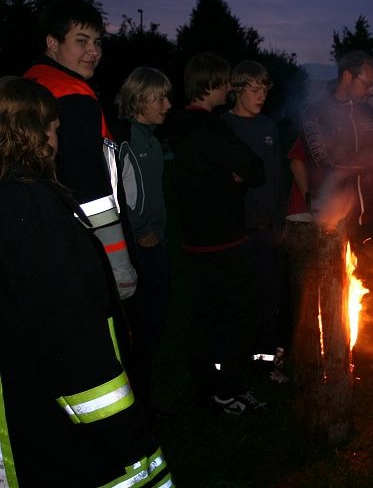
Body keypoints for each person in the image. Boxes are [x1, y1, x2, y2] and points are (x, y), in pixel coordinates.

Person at [0, 76, 171, 487]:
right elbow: (75, 346)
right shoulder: (40, 221)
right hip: (58, 430)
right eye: (55, 129)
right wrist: (130, 440)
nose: (59, 141)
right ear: (33, 133)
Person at [162, 52, 267, 414]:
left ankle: (205, 390)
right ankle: (229, 388)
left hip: (194, 241)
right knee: (247, 309)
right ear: (209, 85)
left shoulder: (179, 127)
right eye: (224, 82)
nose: (228, 88)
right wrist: (236, 177)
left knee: (204, 317)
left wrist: (228, 178)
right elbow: (255, 169)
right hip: (224, 240)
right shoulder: (210, 128)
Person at [23, 0, 138, 300]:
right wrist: (118, 263)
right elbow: (91, 189)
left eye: (98, 42)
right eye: (82, 41)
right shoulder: (71, 95)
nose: (94, 52)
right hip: (82, 247)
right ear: (52, 42)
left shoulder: (30, 85)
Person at [301, 50, 373, 374]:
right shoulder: (315, 114)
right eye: (368, 83)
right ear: (347, 76)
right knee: (332, 288)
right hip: (335, 219)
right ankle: (330, 353)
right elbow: (330, 162)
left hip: (372, 216)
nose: (372, 91)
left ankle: (369, 353)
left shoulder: (370, 113)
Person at [221, 60, 288, 384]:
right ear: (236, 89)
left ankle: (264, 362)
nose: (262, 96)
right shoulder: (224, 127)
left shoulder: (268, 128)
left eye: (265, 89)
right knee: (237, 301)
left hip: (266, 229)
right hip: (235, 231)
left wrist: (279, 221)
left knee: (268, 298)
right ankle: (231, 365)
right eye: (254, 89)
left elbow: (277, 178)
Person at [112, 67, 173, 416]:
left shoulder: (151, 139)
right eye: (159, 97)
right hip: (142, 248)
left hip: (158, 243)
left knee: (153, 327)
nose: (167, 104)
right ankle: (134, 406)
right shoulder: (128, 140)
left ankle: (143, 400)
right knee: (139, 330)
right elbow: (123, 192)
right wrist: (140, 232)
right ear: (138, 100)